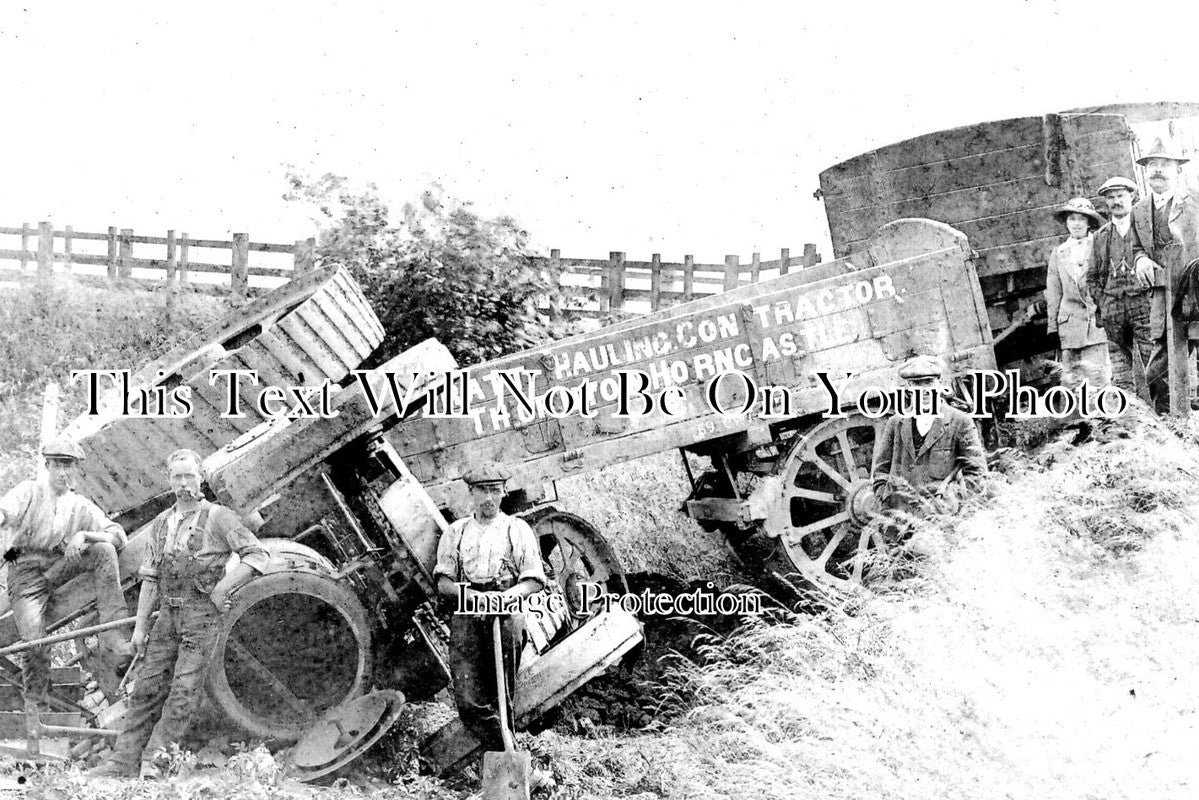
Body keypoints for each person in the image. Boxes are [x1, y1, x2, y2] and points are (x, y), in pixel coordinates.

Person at [91, 449, 269, 779]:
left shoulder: (219, 517)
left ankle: (155, 762)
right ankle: (122, 761)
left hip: (201, 617)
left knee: (183, 691)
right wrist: (140, 628)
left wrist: (222, 589)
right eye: (177, 477)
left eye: (190, 476)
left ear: (200, 478)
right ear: (169, 481)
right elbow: (150, 578)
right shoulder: (161, 523)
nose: (184, 483)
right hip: (166, 617)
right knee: (146, 688)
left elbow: (257, 555)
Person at [0, 437, 129, 710]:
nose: (63, 472)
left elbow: (118, 536)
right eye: (57, 465)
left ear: (76, 469)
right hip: (24, 572)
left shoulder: (79, 504)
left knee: (103, 549)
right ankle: (37, 707)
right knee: (34, 642)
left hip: (59, 565)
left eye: (68, 466)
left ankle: (113, 635)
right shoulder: (29, 491)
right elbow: (4, 512)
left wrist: (85, 535)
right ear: (47, 465)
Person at [433, 461, 546, 752]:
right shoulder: (456, 533)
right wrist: (473, 597)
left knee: (502, 696)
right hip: (467, 612)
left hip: (506, 611)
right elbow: (444, 583)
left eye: (494, 490)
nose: (488, 498)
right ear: (470, 492)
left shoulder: (516, 529)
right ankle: (508, 749)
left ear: (504, 492)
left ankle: (504, 761)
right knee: (468, 701)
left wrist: (507, 597)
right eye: (481, 490)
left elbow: (533, 580)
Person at [870, 355, 988, 515]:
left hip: (942, 516)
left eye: (929, 382)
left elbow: (977, 473)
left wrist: (956, 504)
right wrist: (885, 500)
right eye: (917, 384)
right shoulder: (895, 423)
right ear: (908, 388)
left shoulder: (960, 421)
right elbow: (881, 470)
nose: (924, 390)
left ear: (940, 383)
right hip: (902, 517)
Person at [1130, 139, 1199, 411]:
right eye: (1152, 164)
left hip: (1196, 291)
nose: (1157, 169)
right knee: (1157, 372)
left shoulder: (1195, 200)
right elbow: (1135, 247)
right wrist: (1141, 259)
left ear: (1178, 170)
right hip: (1163, 298)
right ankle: (1168, 425)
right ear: (1145, 171)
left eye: (1164, 164)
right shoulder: (1138, 210)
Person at [1087, 176, 1155, 402]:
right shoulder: (1100, 236)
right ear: (1106, 202)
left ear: (1131, 197)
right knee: (1120, 368)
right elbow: (1092, 276)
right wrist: (1103, 302)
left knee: (1152, 359)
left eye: (1120, 196)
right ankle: (1129, 413)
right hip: (1113, 308)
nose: (1116, 201)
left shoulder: (1144, 227)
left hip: (1143, 304)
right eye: (1111, 197)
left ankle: (1159, 413)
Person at [1045, 197, 1111, 392]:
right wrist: (1053, 326)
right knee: (1072, 383)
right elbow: (1054, 292)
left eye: (1081, 219)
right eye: (1072, 219)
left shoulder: (1100, 246)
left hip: (1095, 323)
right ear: (1066, 223)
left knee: (1098, 379)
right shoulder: (1058, 253)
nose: (1076, 223)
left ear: (1089, 223)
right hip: (1070, 326)